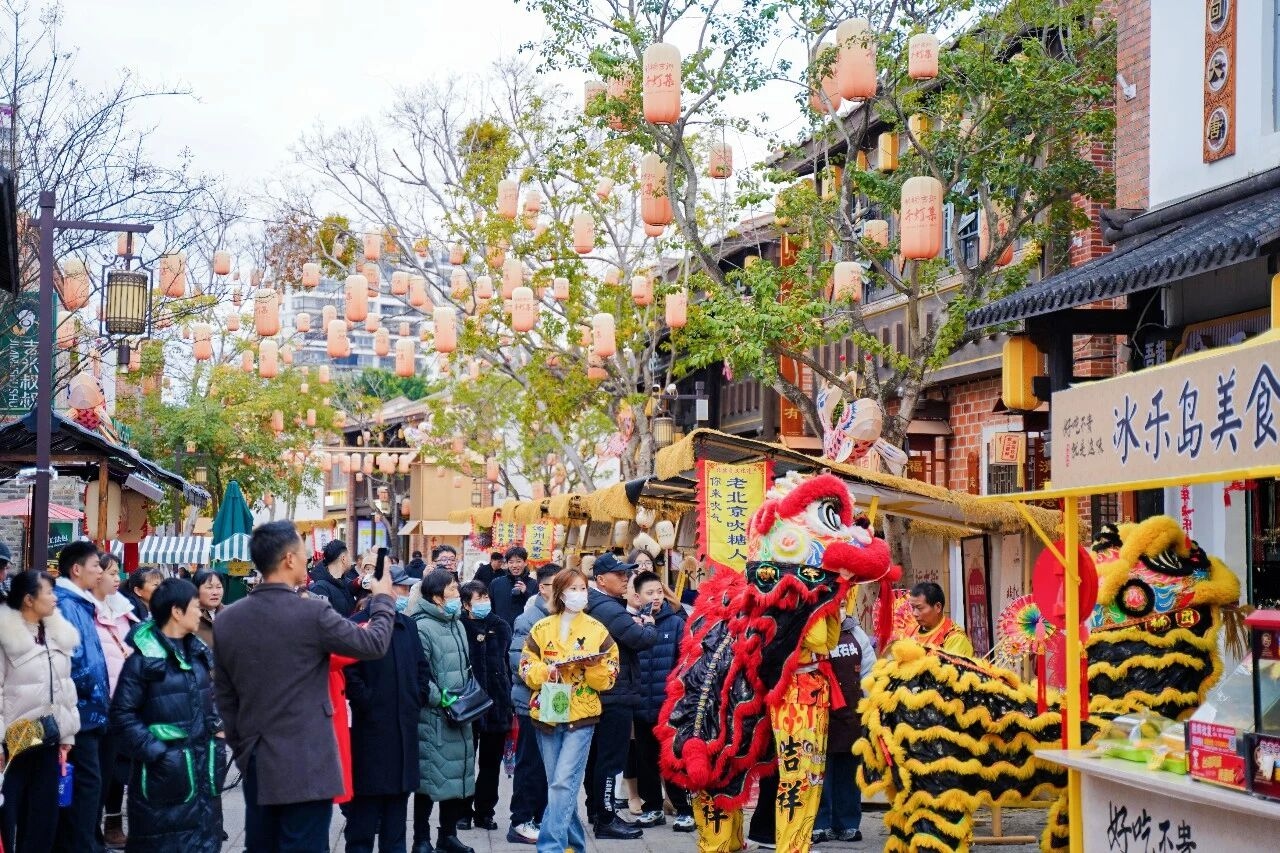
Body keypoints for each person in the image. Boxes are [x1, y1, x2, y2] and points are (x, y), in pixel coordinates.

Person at [213, 521, 396, 852]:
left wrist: (244, 751)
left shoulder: (228, 619)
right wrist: (383, 599)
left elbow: (225, 697)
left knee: (262, 844)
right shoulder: (311, 612)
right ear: (287, 559)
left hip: (257, 756)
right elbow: (373, 643)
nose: (307, 561)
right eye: (301, 553)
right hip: (309, 760)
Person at [109, 578, 224, 852]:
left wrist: (217, 728)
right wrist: (159, 754)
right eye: (195, 606)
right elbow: (121, 716)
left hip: (202, 777)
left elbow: (210, 702)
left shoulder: (198, 655)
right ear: (176, 611)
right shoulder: (142, 660)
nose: (200, 612)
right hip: (163, 781)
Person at [520, 567, 619, 853]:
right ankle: (575, 845)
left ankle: (550, 847)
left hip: (582, 715)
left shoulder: (597, 630)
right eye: (573, 588)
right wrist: (545, 671)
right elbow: (525, 666)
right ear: (561, 592)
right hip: (547, 712)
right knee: (559, 787)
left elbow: (609, 676)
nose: (579, 594)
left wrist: (595, 667)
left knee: (563, 783)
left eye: (583, 588)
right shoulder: (541, 628)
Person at [342, 564, 431, 853]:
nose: (404, 593)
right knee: (362, 826)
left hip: (403, 734)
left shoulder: (408, 625)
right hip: (368, 736)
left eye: (406, 588)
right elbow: (349, 674)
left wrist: (416, 697)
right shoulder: (356, 624)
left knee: (395, 827)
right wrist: (367, 702)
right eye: (400, 587)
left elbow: (421, 668)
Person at [0, 570, 81, 853]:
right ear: (28, 600)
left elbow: (66, 688)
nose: (54, 597)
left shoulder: (57, 633)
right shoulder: (4, 635)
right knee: (7, 817)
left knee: (43, 818)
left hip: (47, 738)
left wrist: (67, 735)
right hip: (12, 745)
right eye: (48, 592)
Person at [582, 553, 656, 839]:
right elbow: (640, 640)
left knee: (598, 756)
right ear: (601, 579)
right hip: (615, 693)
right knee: (611, 759)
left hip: (606, 691)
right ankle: (605, 817)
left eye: (627, 574)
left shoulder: (603, 604)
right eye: (620, 574)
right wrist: (648, 623)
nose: (626, 579)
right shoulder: (608, 609)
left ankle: (597, 810)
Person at [406, 570, 475, 853]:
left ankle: (447, 835)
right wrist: (441, 699)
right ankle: (421, 839)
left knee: (456, 775)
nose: (458, 596)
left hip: (460, 712)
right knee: (429, 780)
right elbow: (419, 676)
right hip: (433, 715)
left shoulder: (456, 623)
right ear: (436, 597)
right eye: (453, 591)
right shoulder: (421, 626)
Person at [53, 540, 110, 853]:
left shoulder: (78, 603)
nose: (100, 573)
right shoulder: (65, 604)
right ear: (77, 570)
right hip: (78, 715)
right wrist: (93, 689)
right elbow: (73, 664)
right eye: (95, 566)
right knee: (84, 790)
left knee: (85, 789)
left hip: (88, 714)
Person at [630, 570, 693, 831]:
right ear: (637, 596)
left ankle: (684, 809)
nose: (655, 597)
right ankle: (653, 807)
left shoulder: (676, 623)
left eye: (658, 591)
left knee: (672, 759)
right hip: (640, 703)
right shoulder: (631, 624)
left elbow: (685, 662)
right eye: (649, 593)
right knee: (645, 758)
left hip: (669, 706)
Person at [812, 602, 877, 845]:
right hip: (818, 715)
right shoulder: (812, 631)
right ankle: (819, 824)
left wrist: (869, 706)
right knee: (820, 773)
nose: (836, 610)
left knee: (849, 773)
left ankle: (848, 823)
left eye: (840, 605)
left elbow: (869, 673)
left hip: (851, 716)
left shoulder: (856, 634)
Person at [505, 565, 557, 845]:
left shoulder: (564, 618)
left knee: (549, 766)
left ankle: (539, 817)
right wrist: (551, 670)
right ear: (543, 587)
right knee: (531, 765)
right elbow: (518, 663)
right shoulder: (529, 620)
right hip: (532, 702)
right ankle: (521, 820)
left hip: (557, 703)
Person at [91, 551, 138, 849]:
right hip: (96, 705)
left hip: (121, 704)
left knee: (112, 772)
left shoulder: (124, 611)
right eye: (110, 571)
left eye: (118, 571)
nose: (116, 577)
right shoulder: (85, 611)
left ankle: (109, 825)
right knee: (94, 777)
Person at [459, 580, 513, 833]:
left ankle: (485, 811)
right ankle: (462, 812)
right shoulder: (458, 626)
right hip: (467, 704)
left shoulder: (500, 626)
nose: (483, 603)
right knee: (465, 761)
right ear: (465, 604)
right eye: (477, 599)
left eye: (485, 598)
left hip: (497, 703)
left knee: (491, 763)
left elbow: (506, 663)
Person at [906, 581, 974, 657]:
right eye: (913, 608)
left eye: (919, 608)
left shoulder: (954, 638)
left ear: (938, 607)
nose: (914, 613)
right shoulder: (910, 631)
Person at [310, 539, 357, 617]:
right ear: (343, 558)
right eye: (350, 556)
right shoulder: (320, 588)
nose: (351, 561)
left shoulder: (347, 583)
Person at [489, 547, 531, 628]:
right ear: (507, 563)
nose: (514, 566)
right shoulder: (496, 583)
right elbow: (490, 608)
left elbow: (535, 609)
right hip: (500, 632)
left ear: (525, 562)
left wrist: (526, 593)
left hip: (524, 633)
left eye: (518, 561)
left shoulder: (533, 584)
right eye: (511, 562)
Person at [190, 570, 225, 650]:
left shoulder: (231, 614)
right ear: (196, 589)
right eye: (209, 587)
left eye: (219, 587)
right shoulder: (188, 618)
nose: (215, 592)